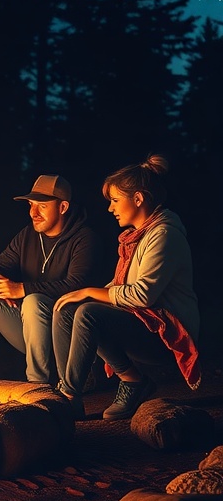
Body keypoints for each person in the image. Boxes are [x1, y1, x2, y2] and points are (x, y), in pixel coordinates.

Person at [53, 154, 201, 421]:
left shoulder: (163, 235)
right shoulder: (139, 236)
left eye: (115, 200)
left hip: (168, 335)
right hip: (145, 323)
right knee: (68, 308)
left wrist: (88, 291)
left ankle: (68, 396)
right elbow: (121, 286)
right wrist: (80, 294)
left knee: (88, 312)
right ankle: (124, 383)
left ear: (138, 199)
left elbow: (141, 295)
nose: (111, 208)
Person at [0, 175, 96, 385]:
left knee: (32, 300)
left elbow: (77, 285)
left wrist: (21, 289)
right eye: (30, 205)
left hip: (67, 339)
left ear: (63, 207)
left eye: (42, 206)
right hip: (32, 332)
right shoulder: (28, 235)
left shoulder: (83, 238)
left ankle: (37, 384)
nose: (33, 213)